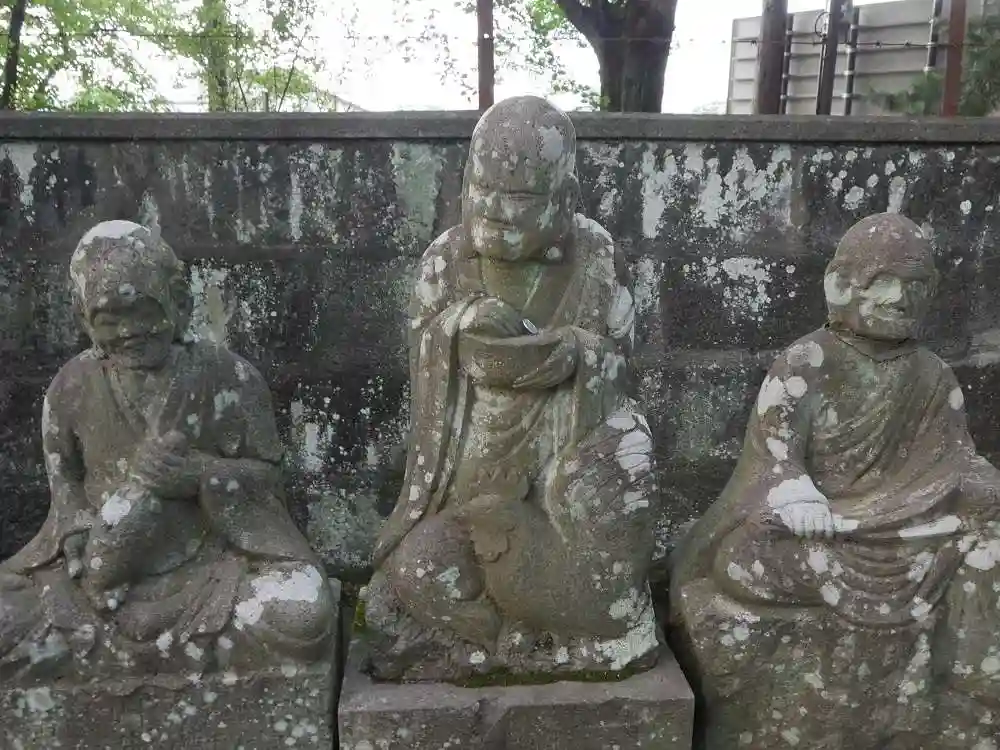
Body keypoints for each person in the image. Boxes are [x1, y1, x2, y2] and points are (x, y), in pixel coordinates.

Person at [670, 212, 1000, 749]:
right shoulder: (806, 362)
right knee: (742, 562)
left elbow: (958, 460)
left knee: (989, 549)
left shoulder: (933, 374)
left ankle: (970, 683)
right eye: (886, 281)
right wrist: (796, 493)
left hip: (903, 530)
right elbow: (773, 458)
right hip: (823, 533)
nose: (902, 298)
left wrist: (983, 485)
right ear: (842, 283)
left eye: (917, 285)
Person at [364, 96, 659, 680]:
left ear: (566, 199)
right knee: (414, 572)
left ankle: (563, 621)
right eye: (483, 188)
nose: (495, 209)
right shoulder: (445, 261)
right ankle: (512, 634)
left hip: (563, 464)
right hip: (471, 475)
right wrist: (456, 326)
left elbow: (620, 365)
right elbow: (424, 360)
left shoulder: (597, 257)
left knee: (620, 477)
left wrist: (577, 353)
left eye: (520, 196)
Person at [0, 220, 335, 682]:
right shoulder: (70, 388)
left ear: (180, 302)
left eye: (143, 311)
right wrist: (78, 539)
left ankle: (120, 655)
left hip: (211, 570)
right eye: (109, 319)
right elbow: (66, 491)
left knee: (303, 615)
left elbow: (268, 481)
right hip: (104, 581)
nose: (129, 331)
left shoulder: (231, 378)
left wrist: (202, 475)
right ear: (83, 319)